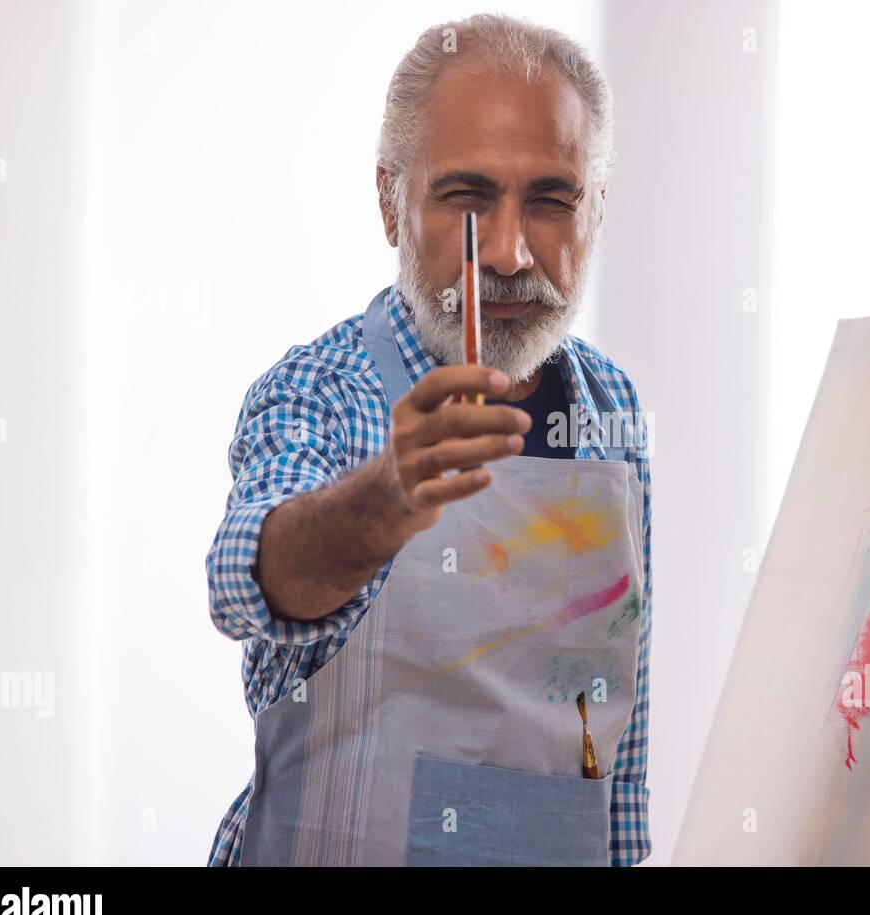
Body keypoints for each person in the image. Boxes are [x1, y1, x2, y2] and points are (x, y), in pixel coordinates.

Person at [205, 12, 651, 867]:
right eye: (468, 197)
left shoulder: (613, 408)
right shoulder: (320, 391)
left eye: (552, 199)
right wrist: (385, 498)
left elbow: (617, 755)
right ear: (389, 202)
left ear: (597, 207)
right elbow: (245, 581)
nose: (514, 252)